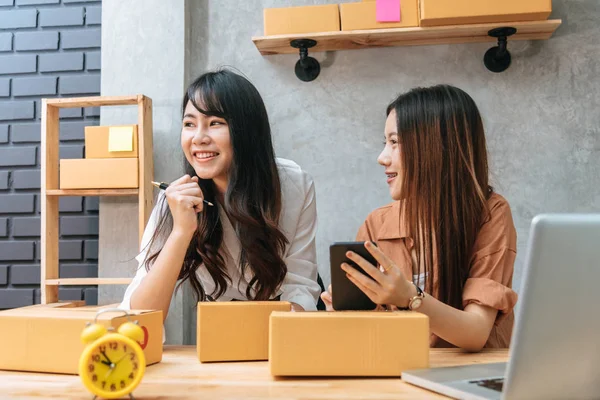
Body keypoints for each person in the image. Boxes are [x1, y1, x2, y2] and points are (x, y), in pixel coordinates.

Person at [322, 85, 518, 351]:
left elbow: (475, 332)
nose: (382, 158)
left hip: (473, 377)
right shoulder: (376, 226)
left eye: (394, 142)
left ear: (434, 147)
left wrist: (410, 297)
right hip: (402, 372)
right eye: (385, 143)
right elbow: (372, 340)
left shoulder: (490, 213)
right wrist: (344, 316)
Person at [120, 69, 322, 319]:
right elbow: (140, 315)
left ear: (246, 130)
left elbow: (300, 284)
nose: (198, 138)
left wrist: (277, 332)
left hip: (285, 316)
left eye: (215, 123)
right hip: (222, 320)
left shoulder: (293, 184)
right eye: (189, 124)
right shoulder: (175, 200)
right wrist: (181, 231)